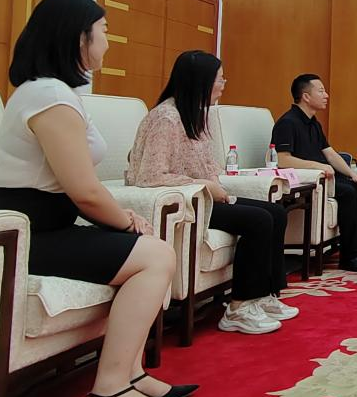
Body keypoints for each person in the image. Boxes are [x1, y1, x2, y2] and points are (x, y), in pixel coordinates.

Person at [0, 0, 192, 397]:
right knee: (155, 256)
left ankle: (131, 373)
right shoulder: (48, 95)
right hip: (23, 233)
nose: (108, 41)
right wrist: (127, 220)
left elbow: (78, 190)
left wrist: (126, 222)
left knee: (150, 249)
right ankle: (109, 391)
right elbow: (83, 191)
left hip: (47, 224)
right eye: (104, 31)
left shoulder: (56, 92)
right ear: (80, 38)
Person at [126, 51, 297, 335]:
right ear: (201, 81)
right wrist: (205, 186)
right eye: (220, 79)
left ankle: (265, 294)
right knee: (259, 221)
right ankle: (239, 307)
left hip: (205, 198)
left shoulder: (195, 115)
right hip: (188, 203)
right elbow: (150, 175)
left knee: (276, 213)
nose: (224, 84)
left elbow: (209, 166)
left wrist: (217, 184)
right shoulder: (166, 118)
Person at [271, 74, 357, 273]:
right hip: (307, 181)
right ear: (306, 96)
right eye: (321, 91)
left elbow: (330, 154)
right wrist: (317, 166)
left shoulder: (313, 123)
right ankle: (349, 257)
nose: (326, 95)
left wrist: (353, 175)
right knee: (348, 192)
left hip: (326, 177)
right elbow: (282, 159)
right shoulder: (287, 123)